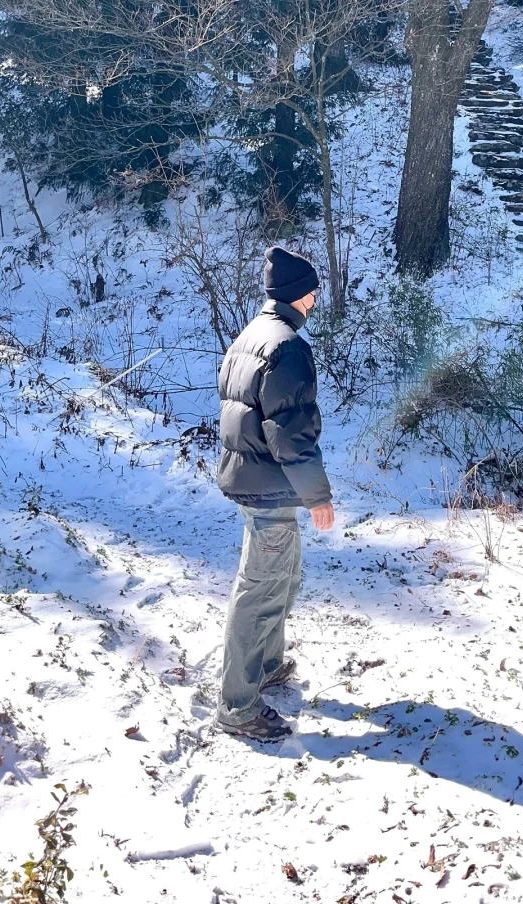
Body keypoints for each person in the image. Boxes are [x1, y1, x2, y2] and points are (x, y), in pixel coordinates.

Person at [215, 245, 334, 740]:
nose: (315, 301)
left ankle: (265, 666)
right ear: (301, 296)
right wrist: (317, 496)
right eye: (314, 293)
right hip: (272, 487)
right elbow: (291, 431)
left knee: (281, 581)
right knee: (260, 589)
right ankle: (237, 706)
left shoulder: (251, 335)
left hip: (255, 481)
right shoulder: (287, 347)